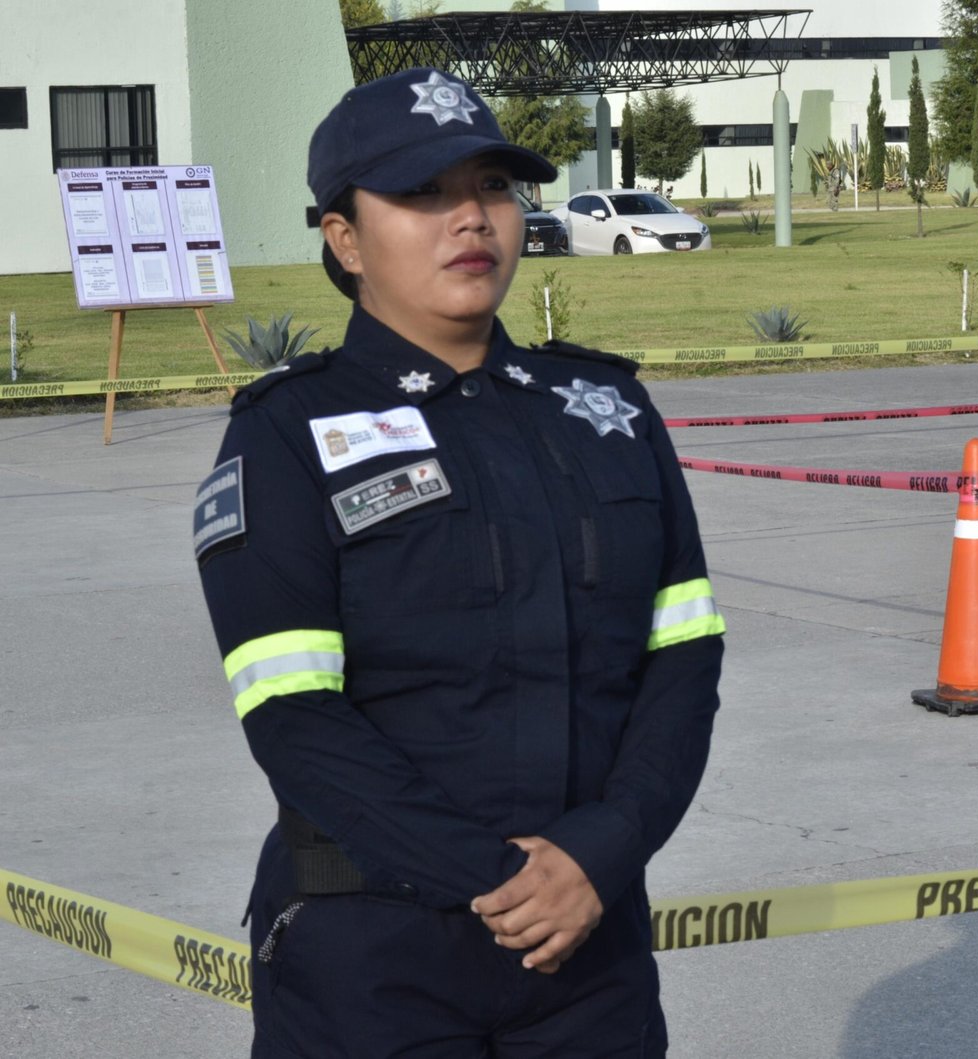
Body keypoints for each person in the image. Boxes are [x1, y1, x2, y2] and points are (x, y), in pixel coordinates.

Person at [191, 67, 724, 1057]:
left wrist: (602, 851)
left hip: (587, 944)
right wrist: (502, 878)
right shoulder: (287, 433)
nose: (469, 218)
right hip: (374, 953)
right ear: (343, 237)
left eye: (490, 187)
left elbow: (683, 654)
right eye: (422, 194)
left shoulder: (603, 412)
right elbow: (292, 712)